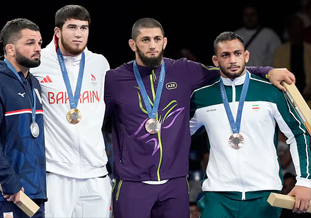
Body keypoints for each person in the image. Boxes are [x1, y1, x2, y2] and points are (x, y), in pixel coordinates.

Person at [103, 17, 295, 218]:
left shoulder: (184, 70)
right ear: (132, 44)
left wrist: (267, 71)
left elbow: (227, 69)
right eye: (145, 40)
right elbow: (97, 121)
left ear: (164, 42)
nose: (152, 45)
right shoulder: (114, 79)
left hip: (174, 184)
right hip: (132, 182)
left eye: (157, 39)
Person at [0, 5, 112, 218]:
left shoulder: (99, 63)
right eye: (71, 27)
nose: (78, 34)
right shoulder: (37, 64)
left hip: (90, 171)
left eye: (83, 27)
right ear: (57, 32)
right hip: (53, 173)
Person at [189, 31, 311, 218]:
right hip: (218, 196)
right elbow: (175, 137)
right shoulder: (201, 97)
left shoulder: (271, 92)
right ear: (215, 60)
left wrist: (305, 182)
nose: (232, 60)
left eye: (237, 53)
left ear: (246, 55)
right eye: (225, 55)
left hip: (265, 195)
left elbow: (299, 133)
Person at [0, 18, 46, 218]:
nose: (38, 48)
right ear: (10, 49)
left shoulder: (34, 84)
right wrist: (9, 182)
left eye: (39, 42)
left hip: (33, 191)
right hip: (4, 192)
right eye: (30, 43)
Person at [273, 14, 311, 108]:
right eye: (295, 26)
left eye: (300, 26)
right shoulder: (280, 51)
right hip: (288, 97)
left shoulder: (309, 50)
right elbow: (277, 74)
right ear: (289, 29)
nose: (298, 29)